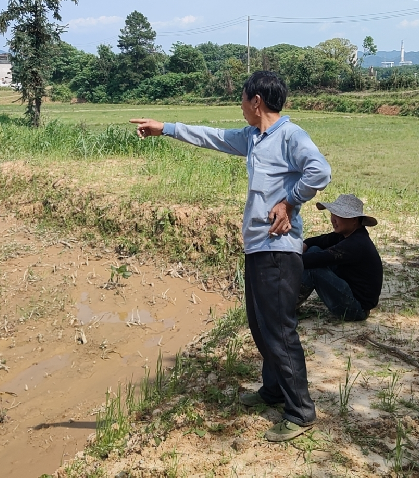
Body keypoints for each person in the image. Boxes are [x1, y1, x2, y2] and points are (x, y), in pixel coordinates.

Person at [130, 71, 331, 442]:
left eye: (242, 99)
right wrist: (166, 128)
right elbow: (213, 136)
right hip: (257, 246)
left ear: (256, 101)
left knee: (280, 331)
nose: (240, 106)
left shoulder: (290, 135)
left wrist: (289, 202)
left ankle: (301, 412)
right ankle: (273, 390)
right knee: (260, 325)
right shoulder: (254, 138)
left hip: (278, 249)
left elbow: (320, 170)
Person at [299, 194, 383, 321]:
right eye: (332, 214)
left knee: (313, 267)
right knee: (314, 250)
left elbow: (319, 259)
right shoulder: (346, 234)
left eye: (338, 215)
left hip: (355, 309)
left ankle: (285, 306)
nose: (333, 219)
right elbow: (319, 241)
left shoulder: (356, 243)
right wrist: (305, 244)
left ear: (354, 219)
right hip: (349, 296)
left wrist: (285, 260)